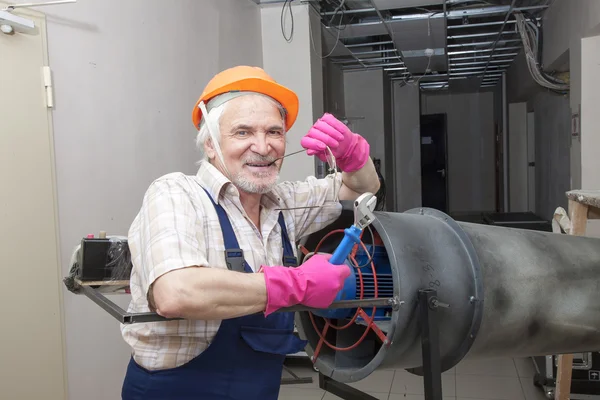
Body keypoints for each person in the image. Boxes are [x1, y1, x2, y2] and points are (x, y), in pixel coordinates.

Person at [120, 65, 380, 400]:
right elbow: (175, 293)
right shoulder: (176, 193)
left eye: (274, 132)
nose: (263, 146)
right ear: (211, 145)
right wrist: (297, 284)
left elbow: (362, 189)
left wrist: (353, 156)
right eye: (242, 133)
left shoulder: (284, 202)